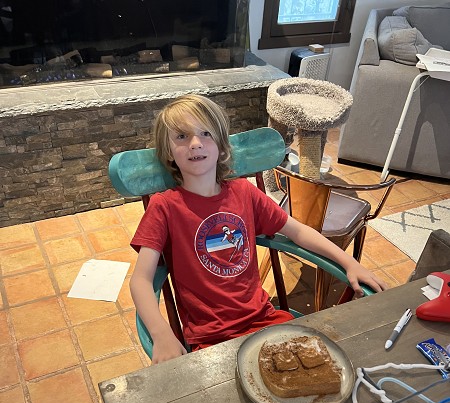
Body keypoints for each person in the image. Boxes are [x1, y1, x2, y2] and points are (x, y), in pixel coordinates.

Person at [130, 94, 388, 364]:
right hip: (212, 339)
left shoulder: (244, 192)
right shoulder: (164, 207)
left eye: (206, 133)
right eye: (182, 136)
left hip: (264, 319)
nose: (195, 143)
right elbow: (141, 280)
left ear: (221, 145)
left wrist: (349, 262)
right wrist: (161, 333)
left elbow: (298, 231)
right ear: (168, 151)